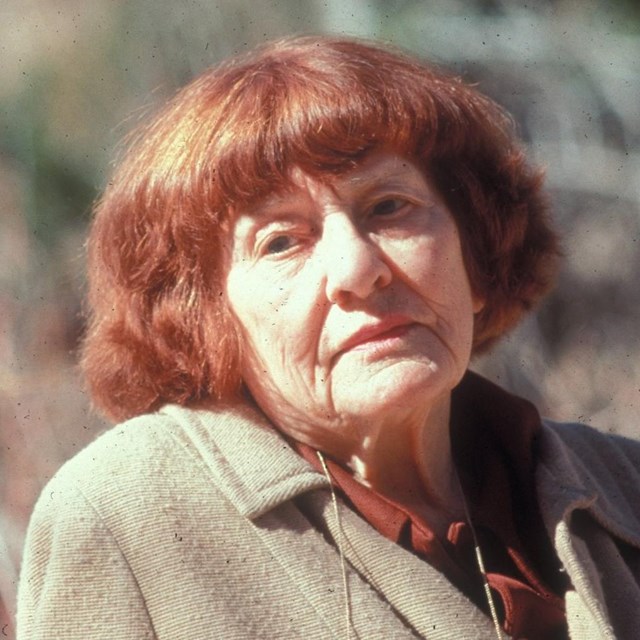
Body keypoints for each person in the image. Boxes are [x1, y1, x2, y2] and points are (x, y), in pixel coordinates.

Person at [16, 36, 640, 640]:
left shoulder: (621, 482)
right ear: (205, 321)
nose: (357, 271)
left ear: (475, 256)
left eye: (389, 207)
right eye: (281, 241)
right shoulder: (128, 513)